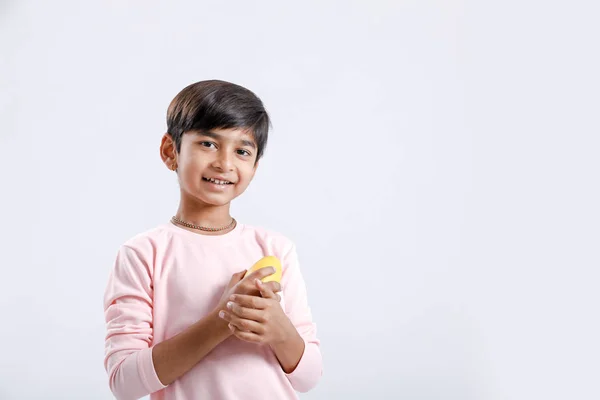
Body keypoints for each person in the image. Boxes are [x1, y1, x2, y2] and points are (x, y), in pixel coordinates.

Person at [103, 80, 322, 400]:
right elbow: (124, 382)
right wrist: (223, 319)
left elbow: (309, 376)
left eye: (242, 150)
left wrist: (279, 329)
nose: (225, 163)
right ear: (170, 151)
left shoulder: (275, 248)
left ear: (255, 165)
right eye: (208, 143)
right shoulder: (143, 253)